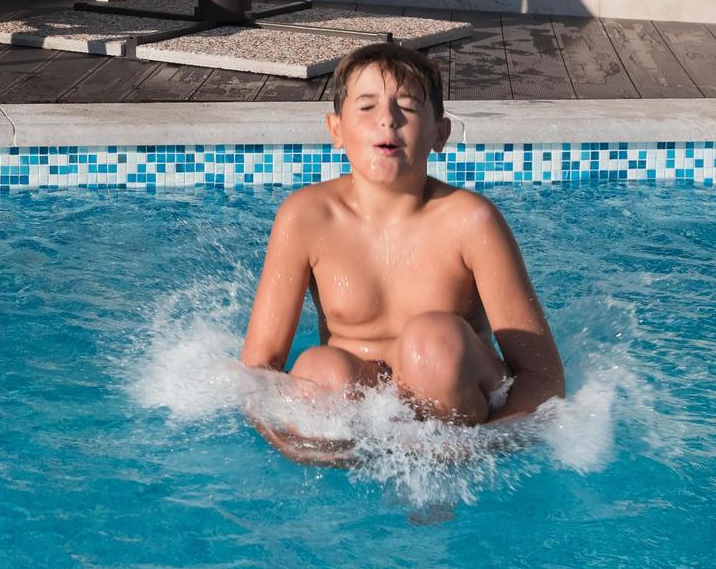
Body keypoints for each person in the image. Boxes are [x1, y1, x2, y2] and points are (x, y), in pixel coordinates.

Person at [238, 42, 565, 461]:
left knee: (430, 343)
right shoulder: (306, 218)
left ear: (439, 134)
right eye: (367, 107)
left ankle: (440, 492)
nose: (387, 120)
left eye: (407, 107)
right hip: (364, 417)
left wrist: (481, 448)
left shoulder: (471, 222)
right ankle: (354, 488)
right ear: (335, 130)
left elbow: (543, 377)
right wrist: (291, 440)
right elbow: (258, 370)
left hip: (459, 422)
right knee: (319, 371)